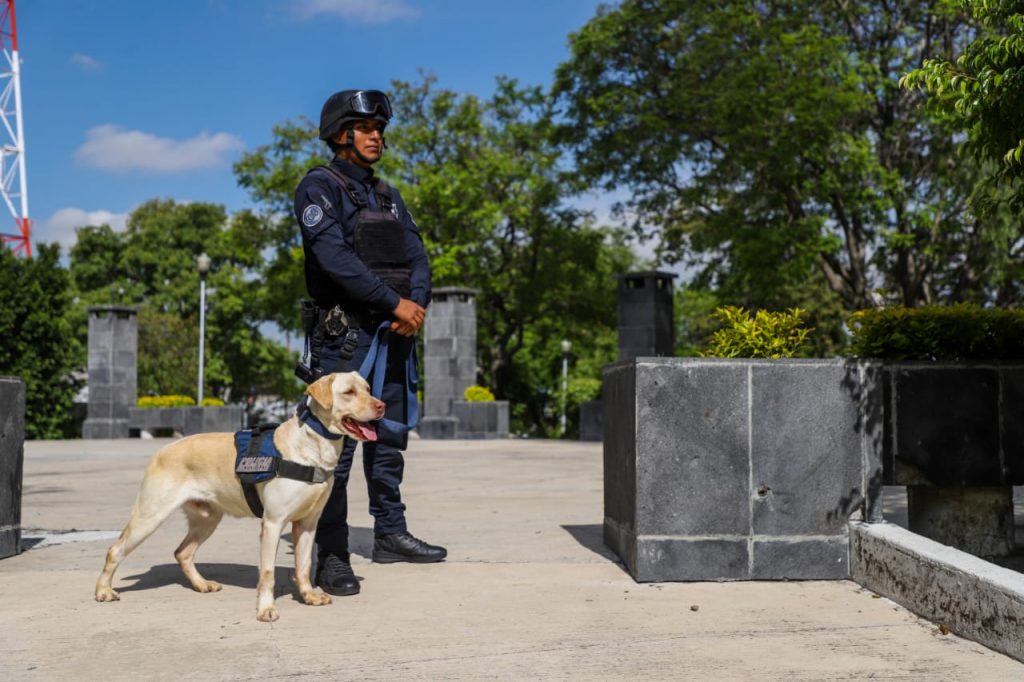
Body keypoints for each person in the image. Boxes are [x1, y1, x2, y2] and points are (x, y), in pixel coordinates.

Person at [293, 89, 446, 597]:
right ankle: (332, 555)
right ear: (341, 135)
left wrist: (414, 306)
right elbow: (336, 259)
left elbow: (418, 257)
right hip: (345, 339)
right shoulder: (318, 188)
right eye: (365, 127)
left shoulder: (388, 196)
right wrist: (392, 302)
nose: (377, 135)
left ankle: (390, 534)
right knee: (335, 452)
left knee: (391, 440)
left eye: (379, 128)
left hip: (395, 331)